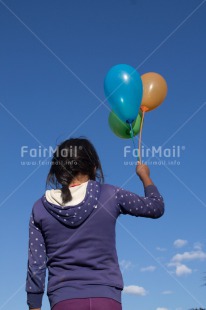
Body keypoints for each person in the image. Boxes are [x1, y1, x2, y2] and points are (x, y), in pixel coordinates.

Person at [26, 138, 164, 310]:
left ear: (57, 170)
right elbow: (155, 207)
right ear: (94, 167)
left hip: (63, 300)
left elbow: (36, 264)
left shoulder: (40, 207)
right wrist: (145, 176)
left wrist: (34, 306)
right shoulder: (110, 194)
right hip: (107, 298)